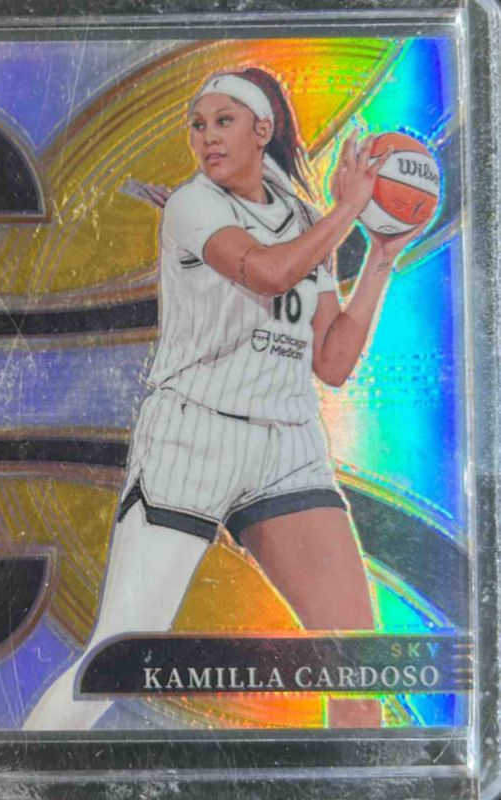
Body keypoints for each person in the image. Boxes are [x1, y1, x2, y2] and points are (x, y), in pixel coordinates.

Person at [24, 67, 427, 731]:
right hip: (194, 434)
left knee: (359, 665)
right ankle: (18, 773)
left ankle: (355, 779)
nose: (206, 136)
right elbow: (268, 272)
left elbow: (332, 362)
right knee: (114, 659)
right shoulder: (193, 206)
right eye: (197, 124)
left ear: (262, 130)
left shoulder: (305, 218)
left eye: (223, 121)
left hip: (286, 442)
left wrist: (381, 255)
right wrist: (349, 209)